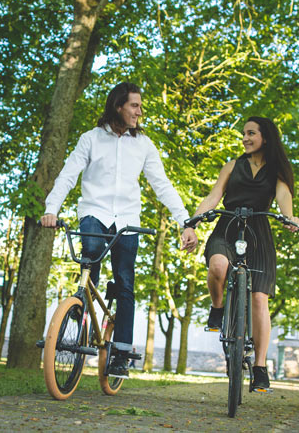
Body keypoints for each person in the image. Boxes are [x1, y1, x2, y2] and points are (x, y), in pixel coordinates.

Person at [40, 82, 198, 379]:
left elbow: (162, 185)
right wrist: (52, 209)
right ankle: (82, 315)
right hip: (94, 214)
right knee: (91, 256)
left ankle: (121, 354)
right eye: (134, 105)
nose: (139, 111)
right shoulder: (90, 139)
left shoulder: (144, 145)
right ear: (118, 106)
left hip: (126, 220)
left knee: (125, 283)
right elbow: (68, 175)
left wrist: (184, 222)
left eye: (140, 106)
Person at [186, 116, 299, 392]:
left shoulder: (276, 170)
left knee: (260, 298)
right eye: (244, 134)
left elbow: (285, 197)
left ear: (266, 137)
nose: (246, 138)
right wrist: (193, 222)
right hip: (227, 226)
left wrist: (290, 218)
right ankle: (217, 308)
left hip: (259, 232)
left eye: (251, 133)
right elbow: (213, 197)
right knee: (217, 266)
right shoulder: (232, 166)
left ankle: (260, 368)